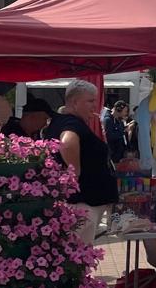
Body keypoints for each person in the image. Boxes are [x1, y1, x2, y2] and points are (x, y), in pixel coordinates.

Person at [45, 80, 119, 243]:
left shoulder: (62, 121)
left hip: (82, 203)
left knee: (77, 256)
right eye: (90, 101)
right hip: (82, 204)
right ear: (74, 102)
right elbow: (67, 143)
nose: (94, 106)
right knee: (77, 253)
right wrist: (74, 173)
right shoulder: (71, 123)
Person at [106, 101, 133, 165]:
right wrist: (123, 132)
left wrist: (128, 149)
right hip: (113, 155)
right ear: (118, 109)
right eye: (125, 111)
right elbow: (109, 136)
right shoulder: (108, 120)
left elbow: (124, 136)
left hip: (121, 155)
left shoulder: (120, 121)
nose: (125, 113)